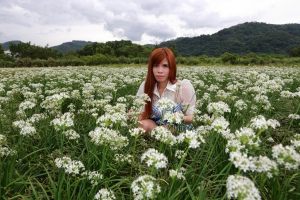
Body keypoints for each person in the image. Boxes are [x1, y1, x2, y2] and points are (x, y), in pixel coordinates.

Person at [136, 47, 196, 133]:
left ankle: (157, 136)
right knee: (141, 126)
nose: (160, 71)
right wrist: (134, 116)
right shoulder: (146, 86)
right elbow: (143, 114)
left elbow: (193, 117)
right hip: (156, 125)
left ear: (171, 67)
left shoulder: (183, 86)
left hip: (177, 126)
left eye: (165, 66)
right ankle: (154, 137)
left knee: (164, 130)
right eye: (156, 66)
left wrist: (181, 118)